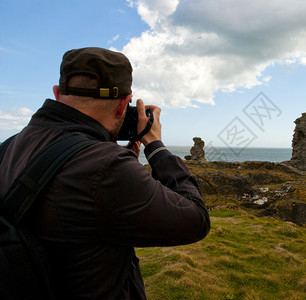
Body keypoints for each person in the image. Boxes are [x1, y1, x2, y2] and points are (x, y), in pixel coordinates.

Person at [0, 47, 210, 299]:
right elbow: (196, 220)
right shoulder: (107, 168)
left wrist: (124, 165)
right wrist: (155, 147)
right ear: (123, 105)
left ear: (57, 93)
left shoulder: (9, 147)